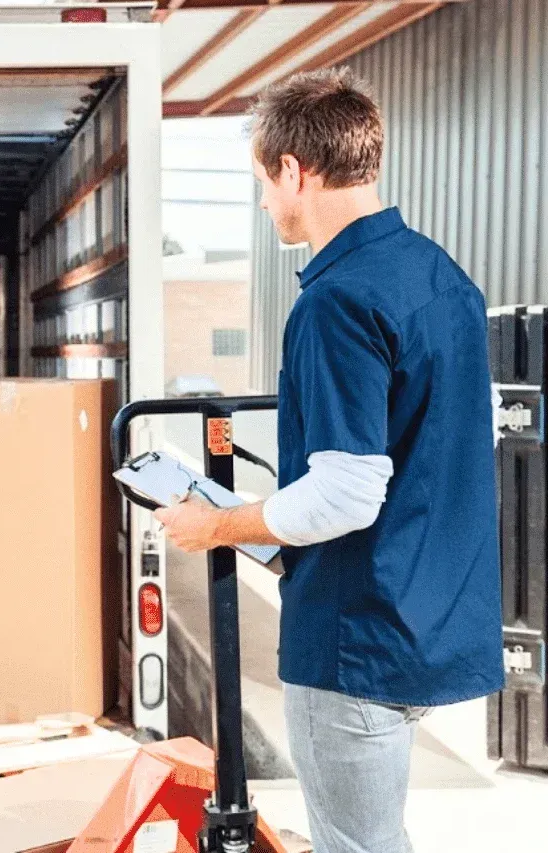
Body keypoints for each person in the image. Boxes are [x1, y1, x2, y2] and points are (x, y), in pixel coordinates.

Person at [153, 69, 502, 853]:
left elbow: (347, 492)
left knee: (358, 845)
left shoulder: (337, 300)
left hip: (356, 639)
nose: (267, 205)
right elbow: (427, 454)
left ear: (293, 170)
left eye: (264, 185)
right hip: (430, 617)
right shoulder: (444, 277)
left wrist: (218, 524)